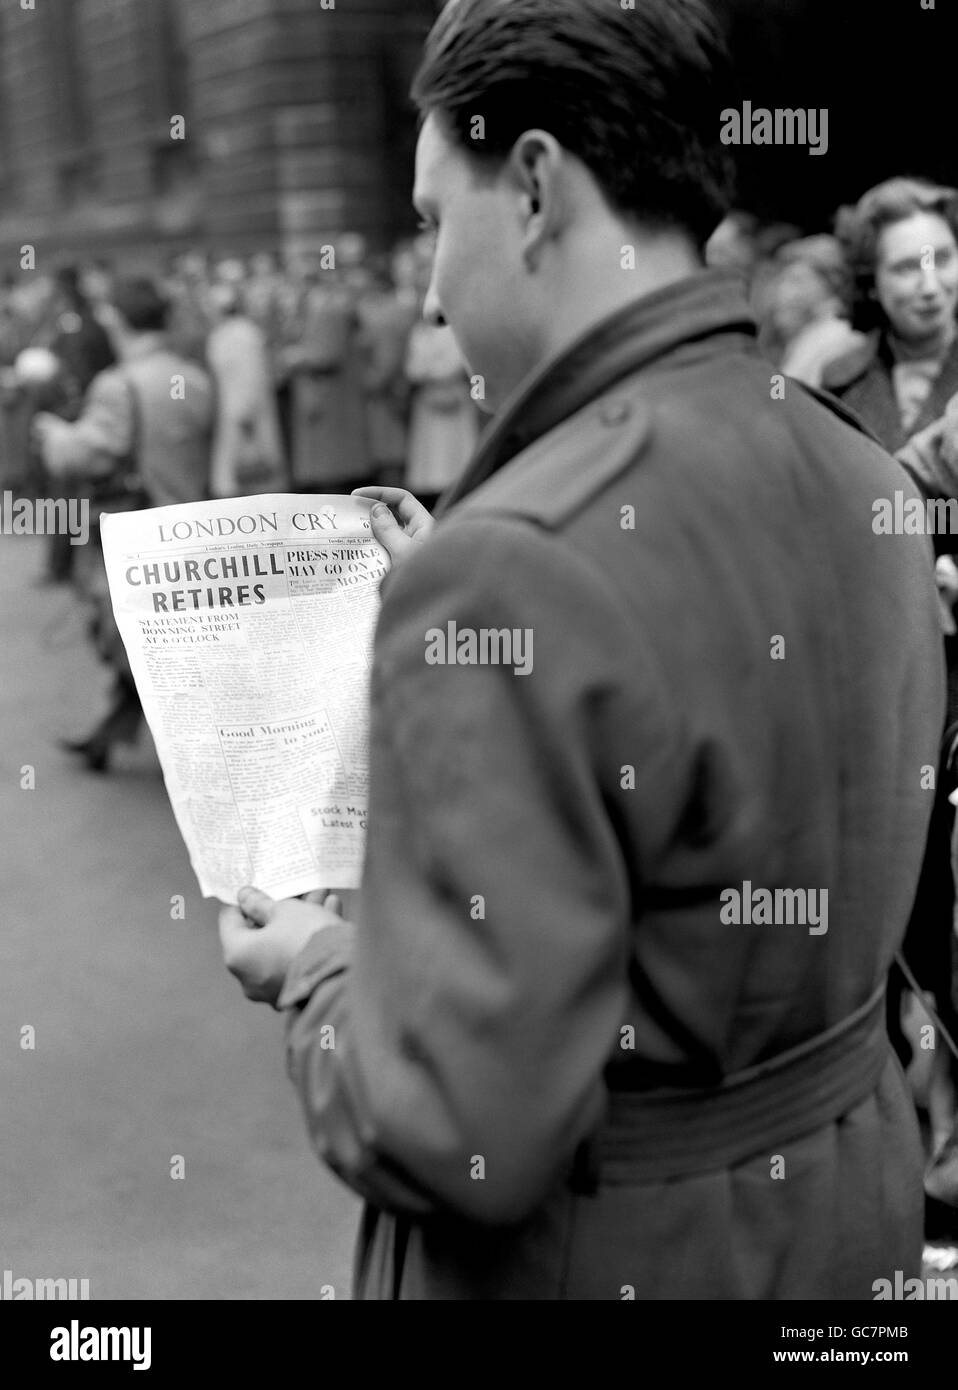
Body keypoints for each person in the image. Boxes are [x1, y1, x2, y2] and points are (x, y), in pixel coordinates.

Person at [220, 0, 943, 1299]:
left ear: (539, 186)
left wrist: (314, 968)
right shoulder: (855, 466)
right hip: (852, 1213)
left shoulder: (511, 566)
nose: (432, 293)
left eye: (437, 221)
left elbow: (454, 1130)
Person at [36, 277, 215, 772]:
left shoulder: (119, 384)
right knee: (157, 637)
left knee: (131, 640)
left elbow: (88, 454)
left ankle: (207, 748)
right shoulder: (193, 378)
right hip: (186, 525)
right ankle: (108, 733)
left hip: (134, 535)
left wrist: (55, 436)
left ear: (120, 321)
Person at [206, 281, 287, 497]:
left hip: (243, 414)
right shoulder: (227, 333)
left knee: (249, 477)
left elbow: (250, 378)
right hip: (231, 410)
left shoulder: (241, 335)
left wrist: (245, 415)